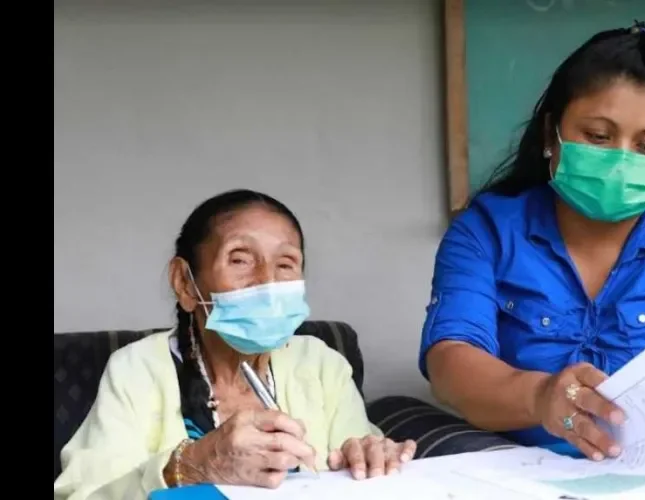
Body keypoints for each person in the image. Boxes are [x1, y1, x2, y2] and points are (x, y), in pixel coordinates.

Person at [418, 21, 645, 496]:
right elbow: (451, 362)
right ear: (552, 133)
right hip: (530, 473)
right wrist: (540, 396)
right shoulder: (485, 230)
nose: (621, 159)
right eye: (597, 135)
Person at [54, 189, 416, 500]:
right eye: (240, 259)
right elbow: (85, 495)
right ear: (185, 283)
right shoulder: (136, 369)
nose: (266, 282)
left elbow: (360, 468)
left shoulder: (322, 364)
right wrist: (192, 466)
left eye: (286, 264)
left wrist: (369, 458)